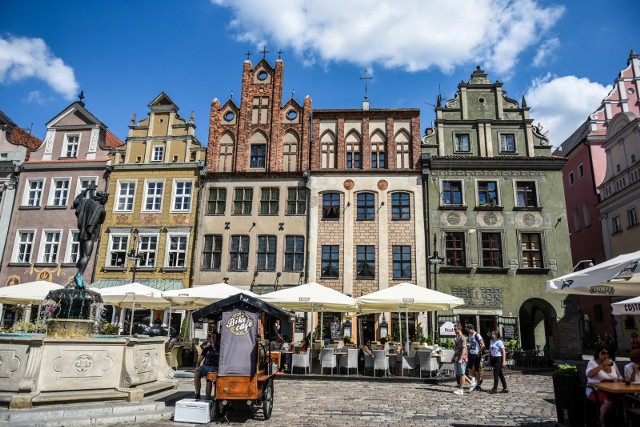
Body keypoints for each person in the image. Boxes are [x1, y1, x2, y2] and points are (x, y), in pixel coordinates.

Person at [72, 185, 108, 289]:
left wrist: (86, 190)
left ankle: (78, 275)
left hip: (82, 233)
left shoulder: (85, 202)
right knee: (86, 256)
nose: (106, 202)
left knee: (81, 256)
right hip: (90, 235)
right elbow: (101, 221)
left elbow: (76, 201)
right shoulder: (101, 209)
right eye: (105, 199)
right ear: (102, 199)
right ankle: (79, 275)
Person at [585, 343, 621, 427]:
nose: (606, 355)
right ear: (598, 353)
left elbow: (619, 377)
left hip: (611, 389)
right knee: (608, 401)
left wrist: (621, 381)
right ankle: (602, 422)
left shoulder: (612, 363)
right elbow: (590, 375)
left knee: (621, 399)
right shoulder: (592, 363)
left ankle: (615, 421)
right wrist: (602, 365)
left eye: (607, 353)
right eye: (603, 353)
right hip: (596, 389)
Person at [452, 323, 475, 395]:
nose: (455, 330)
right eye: (454, 329)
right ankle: (471, 382)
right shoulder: (457, 338)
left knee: (462, 373)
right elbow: (456, 349)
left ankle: (461, 390)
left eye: (456, 329)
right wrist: (453, 356)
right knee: (458, 373)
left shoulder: (463, 338)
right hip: (457, 357)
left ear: (459, 329)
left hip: (462, 357)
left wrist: (461, 358)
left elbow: (464, 349)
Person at [194, 335, 219, 400]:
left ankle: (207, 397)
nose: (213, 339)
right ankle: (197, 394)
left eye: (214, 338)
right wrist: (197, 367)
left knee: (209, 378)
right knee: (197, 373)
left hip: (214, 367)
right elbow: (200, 360)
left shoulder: (220, 349)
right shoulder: (207, 348)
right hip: (205, 366)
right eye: (212, 338)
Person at [465, 324, 484, 391]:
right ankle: (479, 380)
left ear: (472, 329)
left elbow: (483, 345)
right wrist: (468, 349)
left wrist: (479, 353)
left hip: (476, 354)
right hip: (471, 353)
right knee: (468, 368)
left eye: (468, 330)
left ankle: (478, 384)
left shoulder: (477, 335)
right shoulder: (470, 335)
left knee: (476, 369)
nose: (468, 331)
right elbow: (471, 344)